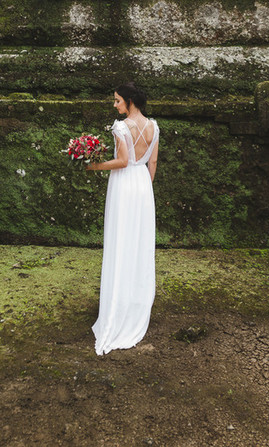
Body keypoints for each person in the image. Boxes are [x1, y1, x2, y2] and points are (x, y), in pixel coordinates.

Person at [86, 82, 159, 355]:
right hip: (142, 187)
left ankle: (118, 306)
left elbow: (123, 161)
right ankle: (135, 302)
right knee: (139, 244)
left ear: (130, 101)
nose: (115, 105)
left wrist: (95, 165)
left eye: (117, 101)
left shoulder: (120, 127)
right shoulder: (154, 127)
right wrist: (143, 192)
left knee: (120, 242)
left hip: (124, 184)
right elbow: (152, 163)